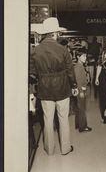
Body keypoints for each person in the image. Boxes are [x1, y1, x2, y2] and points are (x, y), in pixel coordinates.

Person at [29, 17, 78, 156]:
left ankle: (49, 149)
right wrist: (74, 85)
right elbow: (70, 70)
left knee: (47, 120)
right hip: (62, 88)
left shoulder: (35, 50)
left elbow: (32, 73)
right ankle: (65, 148)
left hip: (45, 90)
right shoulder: (63, 49)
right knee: (63, 119)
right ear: (55, 33)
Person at [74, 48, 92, 132]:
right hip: (80, 90)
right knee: (82, 109)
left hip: (81, 89)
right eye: (83, 56)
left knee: (79, 108)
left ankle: (78, 124)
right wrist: (81, 91)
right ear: (78, 57)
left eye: (86, 56)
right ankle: (83, 127)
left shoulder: (80, 66)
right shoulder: (78, 67)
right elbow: (77, 81)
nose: (85, 58)